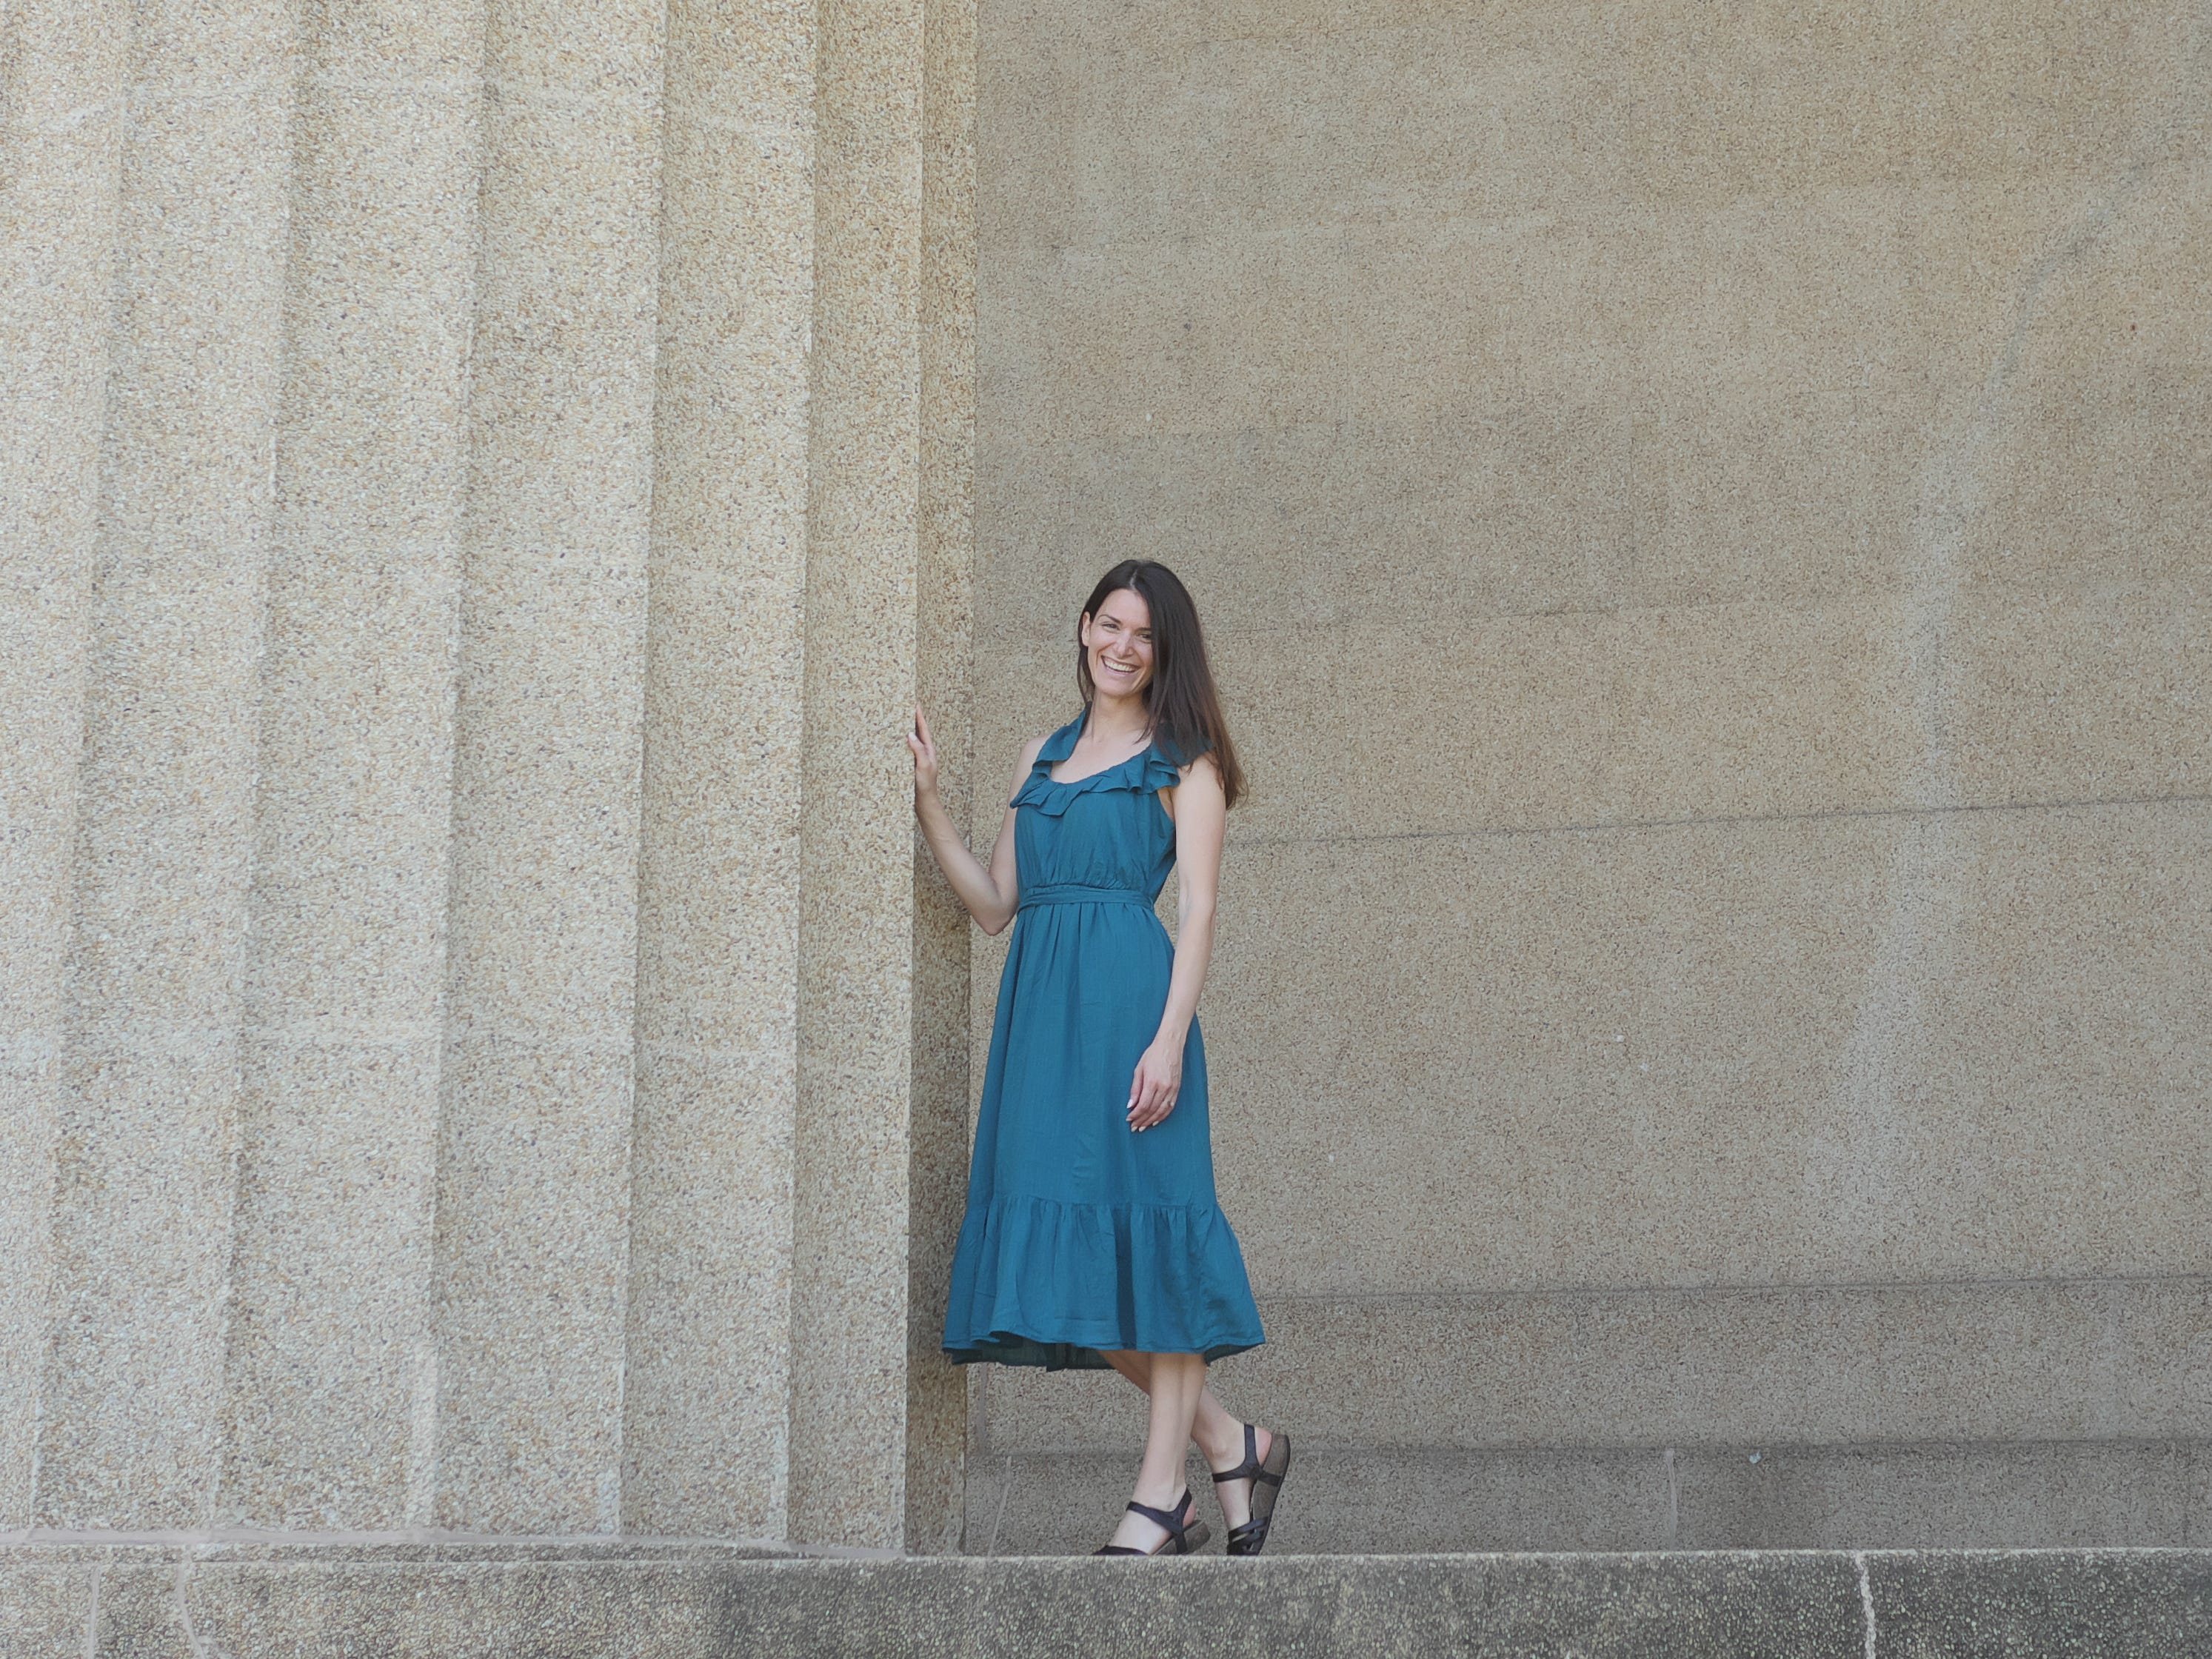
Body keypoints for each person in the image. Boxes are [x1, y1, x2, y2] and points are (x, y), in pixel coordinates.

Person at [909, 558, 1290, 1558]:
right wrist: (928, 802)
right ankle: (1232, 1443)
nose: (1122, 646)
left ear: (1165, 654)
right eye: (1109, 625)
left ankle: (1162, 1494)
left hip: (1133, 1017)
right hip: (1041, 1024)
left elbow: (1201, 910)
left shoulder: (1186, 761)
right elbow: (996, 905)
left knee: (1151, 1243)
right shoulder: (1041, 754)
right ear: (1083, 629)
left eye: (1144, 635)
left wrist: (1167, 1040)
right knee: (1066, 1259)